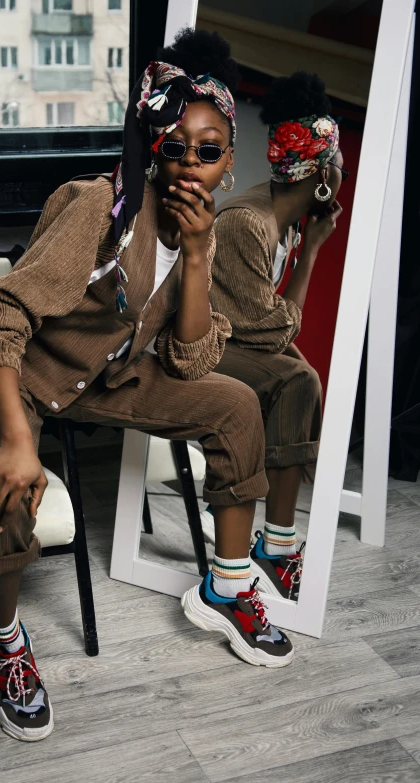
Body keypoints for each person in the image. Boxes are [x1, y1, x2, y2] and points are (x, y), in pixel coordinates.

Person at [0, 29, 294, 743]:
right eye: (175, 147)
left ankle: (229, 587)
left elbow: (192, 361)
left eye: (210, 151)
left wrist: (197, 255)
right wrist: (18, 440)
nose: (191, 167)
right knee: (5, 483)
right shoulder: (97, 206)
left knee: (233, 403)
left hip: (102, 380)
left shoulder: (206, 233)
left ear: (231, 161)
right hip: (18, 379)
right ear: (150, 145)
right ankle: (5, 641)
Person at [203, 72, 345, 601]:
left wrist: (308, 246)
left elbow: (271, 323)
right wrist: (310, 255)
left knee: (301, 375)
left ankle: (278, 542)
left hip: (233, 337)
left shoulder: (283, 219)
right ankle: (277, 547)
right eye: (337, 163)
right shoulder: (249, 223)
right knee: (297, 381)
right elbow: (273, 327)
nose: (343, 173)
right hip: (197, 345)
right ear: (322, 174)